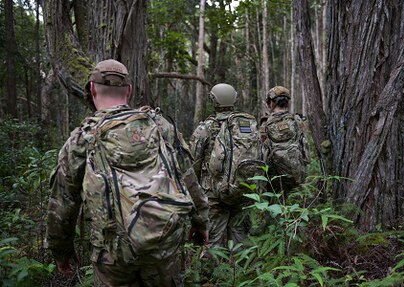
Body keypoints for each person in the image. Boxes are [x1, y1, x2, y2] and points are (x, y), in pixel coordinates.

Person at [46, 59, 208, 286]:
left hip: (113, 254)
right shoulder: (161, 126)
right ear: (129, 91)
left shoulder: (81, 139)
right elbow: (187, 178)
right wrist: (200, 221)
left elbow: (63, 203)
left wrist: (60, 250)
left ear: (92, 89)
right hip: (163, 243)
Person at [189, 83, 261, 248]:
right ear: (235, 99)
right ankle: (242, 272)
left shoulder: (205, 128)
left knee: (212, 242)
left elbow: (193, 164)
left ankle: (213, 273)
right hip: (241, 189)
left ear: (213, 100)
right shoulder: (247, 126)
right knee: (241, 240)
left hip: (214, 193)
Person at [260, 86, 310, 196]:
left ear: (271, 102)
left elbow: (262, 153)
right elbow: (305, 149)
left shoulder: (265, 123)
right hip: (297, 174)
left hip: (274, 177)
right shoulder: (297, 120)